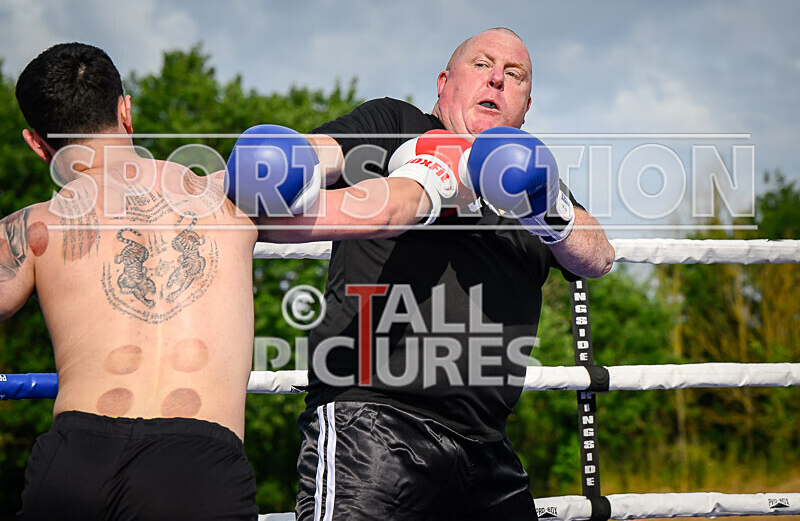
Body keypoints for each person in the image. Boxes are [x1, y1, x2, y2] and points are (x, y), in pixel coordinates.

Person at [5, 42, 443, 520]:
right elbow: (382, 212)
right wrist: (443, 170)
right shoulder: (225, 198)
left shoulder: (32, 229)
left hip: (75, 459)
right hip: (193, 466)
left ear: (36, 142)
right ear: (125, 111)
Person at [286, 28, 616, 520]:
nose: (498, 80)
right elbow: (322, 150)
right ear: (445, 82)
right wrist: (284, 161)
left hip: (488, 447)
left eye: (515, 75)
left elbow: (599, 257)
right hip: (375, 425)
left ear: (526, 107)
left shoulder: (533, 177)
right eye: (482, 65)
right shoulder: (395, 124)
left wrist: (548, 207)